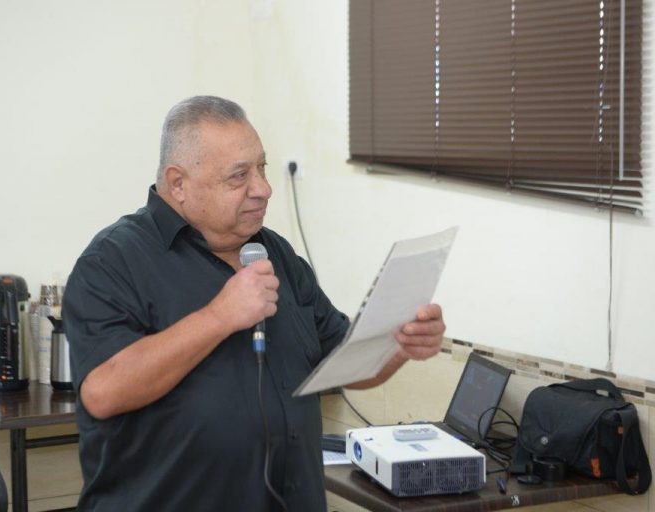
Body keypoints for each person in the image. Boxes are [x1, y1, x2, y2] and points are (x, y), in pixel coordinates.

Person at [62, 95, 446, 511]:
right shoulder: (112, 261)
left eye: (262, 168)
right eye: (238, 176)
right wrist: (219, 316)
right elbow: (104, 392)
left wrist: (399, 344)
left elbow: (345, 362)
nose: (263, 189)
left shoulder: (276, 254)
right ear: (178, 184)